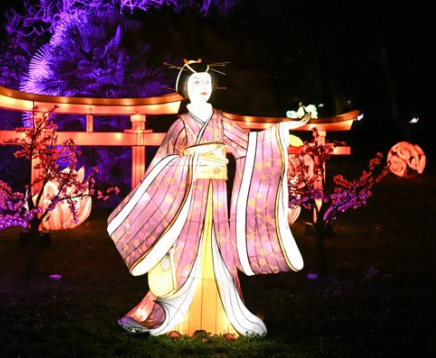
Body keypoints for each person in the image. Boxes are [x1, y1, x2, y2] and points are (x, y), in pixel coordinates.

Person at [107, 59, 307, 337]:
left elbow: (250, 147)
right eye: (195, 83)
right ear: (185, 89)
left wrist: (283, 130)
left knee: (220, 252)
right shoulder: (181, 125)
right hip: (189, 198)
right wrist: (190, 165)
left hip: (217, 197)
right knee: (185, 254)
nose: (202, 87)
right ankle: (173, 317)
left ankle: (226, 316)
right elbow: (163, 163)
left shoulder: (222, 120)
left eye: (206, 82)